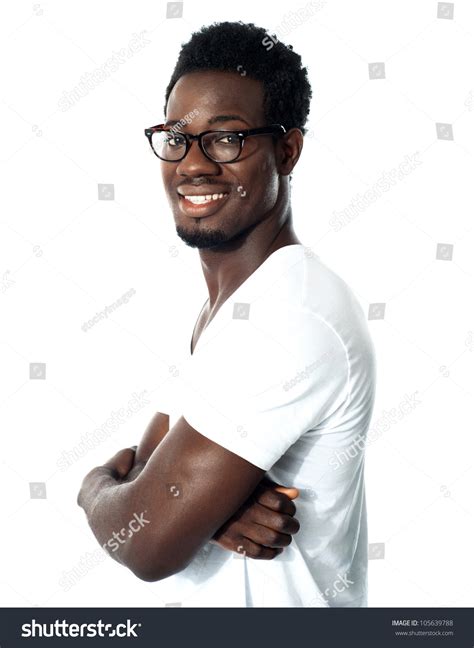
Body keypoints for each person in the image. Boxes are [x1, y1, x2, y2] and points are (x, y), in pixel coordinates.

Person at [78, 20, 376, 607]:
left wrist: (91, 488)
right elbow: (146, 477)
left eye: (227, 138)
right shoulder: (225, 309)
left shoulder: (289, 316)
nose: (193, 164)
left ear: (287, 150)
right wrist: (197, 508)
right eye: (177, 136)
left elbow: (145, 543)